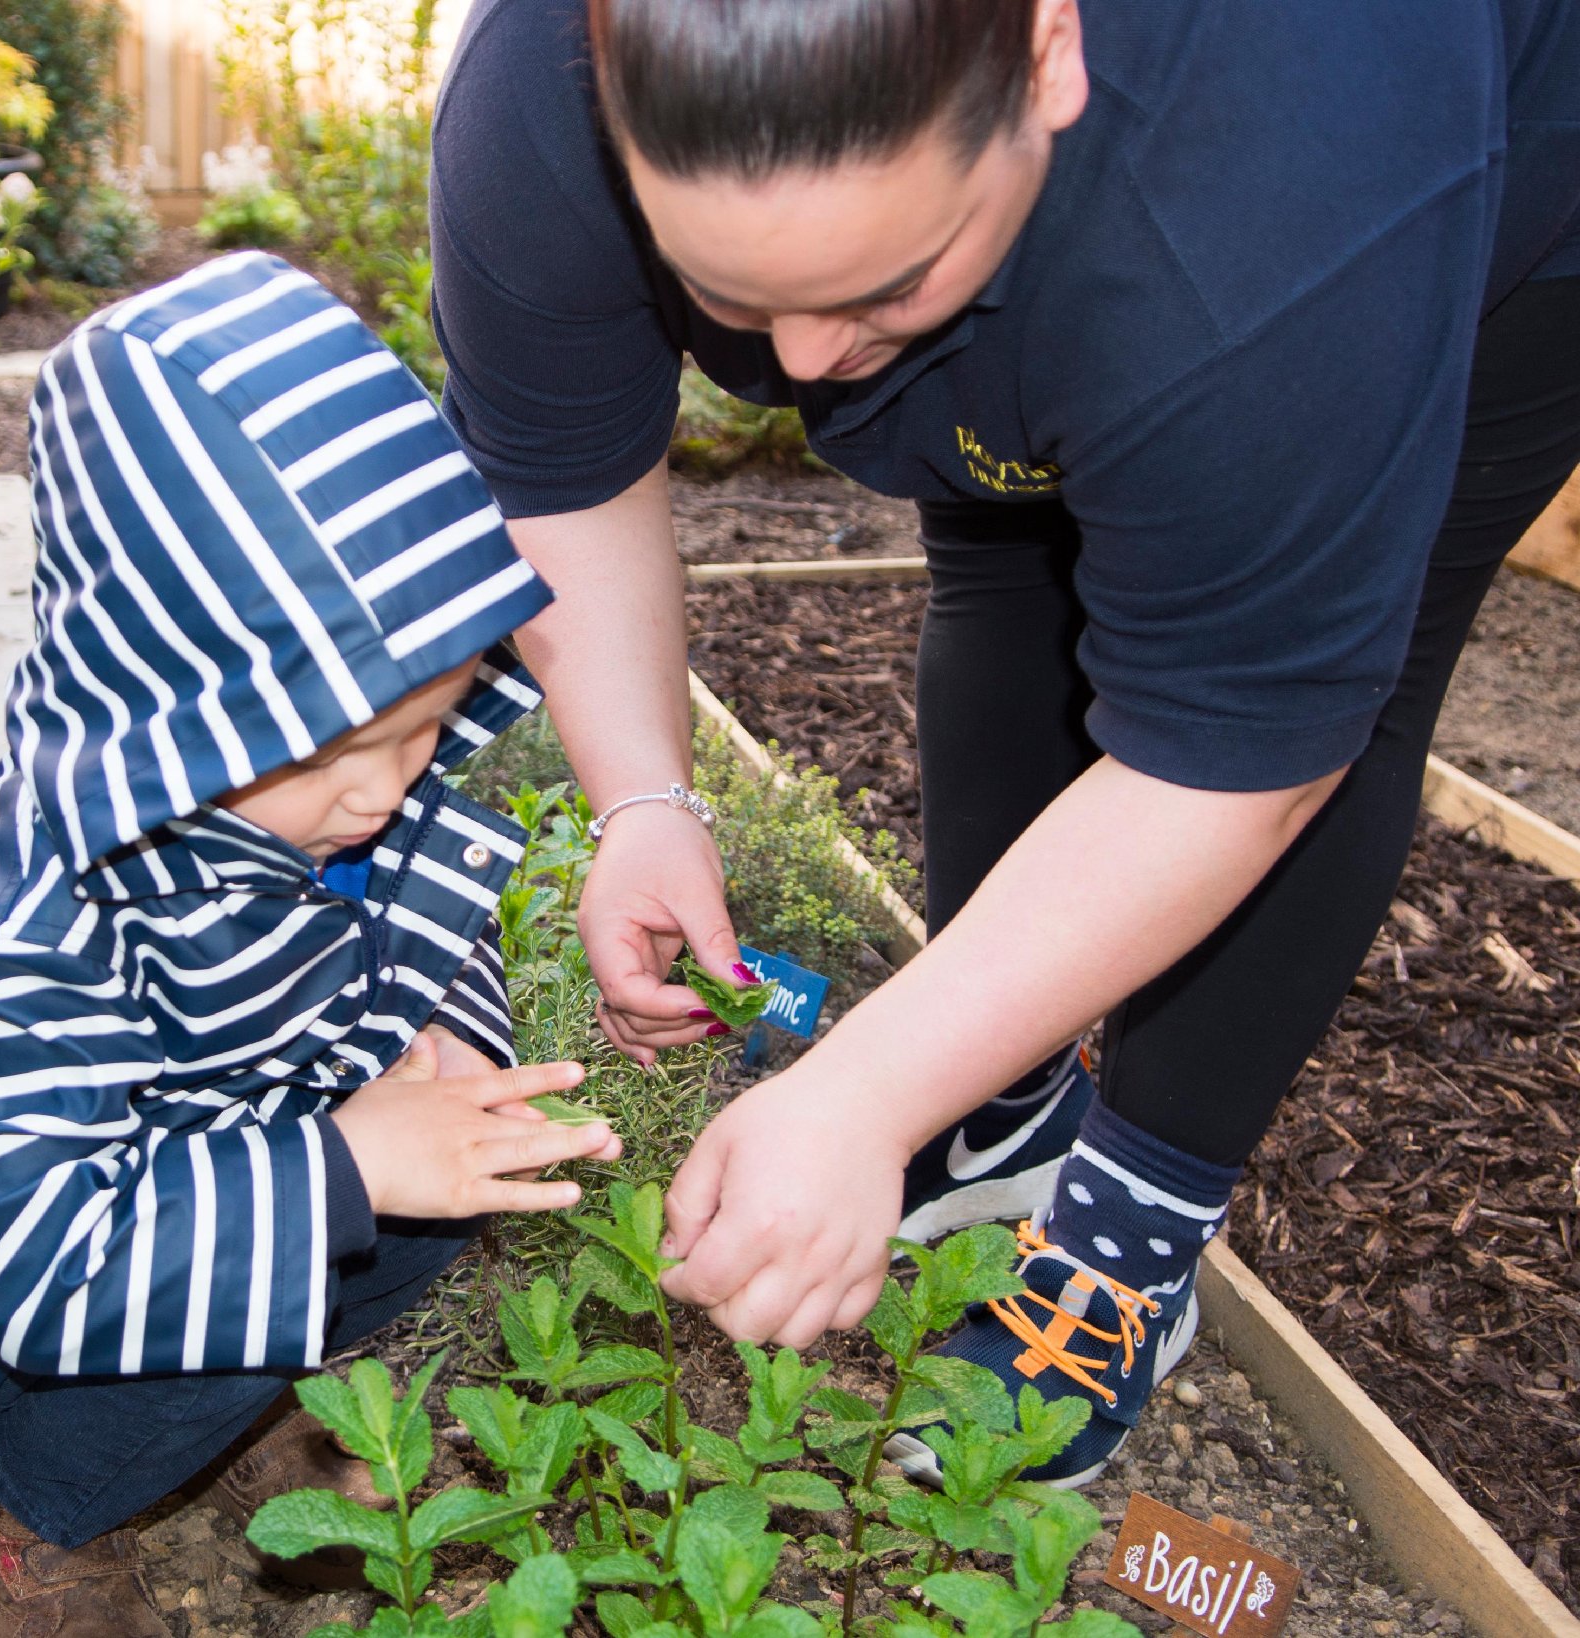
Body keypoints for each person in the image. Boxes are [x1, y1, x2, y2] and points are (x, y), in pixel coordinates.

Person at [429, 0, 1580, 1484]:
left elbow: (1245, 743)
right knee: (1006, 545)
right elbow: (562, 475)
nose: (809, 362)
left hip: (1477, 175)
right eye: (722, 286)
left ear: (1045, 55)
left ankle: (1130, 1235)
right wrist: (647, 796)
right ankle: (1008, 1101)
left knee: (1360, 658)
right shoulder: (538, 97)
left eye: (889, 282)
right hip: (1133, 216)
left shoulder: (1283, 190)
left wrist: (864, 1090)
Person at [0, 253, 619, 1635]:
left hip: (198, 1139)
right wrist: (344, 1163)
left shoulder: (323, 789)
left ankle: (220, 1425)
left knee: (435, 1191)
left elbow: (429, 919)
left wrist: (448, 1041)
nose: (384, 789)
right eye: (338, 749)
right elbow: (47, 1263)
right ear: (176, 704)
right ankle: (17, 1512)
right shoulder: (19, 927)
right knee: (266, 1254)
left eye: (426, 729)